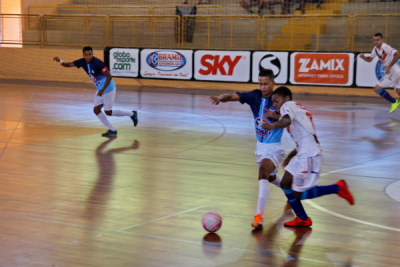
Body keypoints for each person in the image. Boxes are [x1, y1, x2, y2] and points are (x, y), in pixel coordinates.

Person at [261, 86, 354, 227]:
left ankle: (337, 188)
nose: (274, 104)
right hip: (303, 153)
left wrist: (272, 125)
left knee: (297, 194)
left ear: (286, 99)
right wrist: (290, 156)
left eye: (276, 101)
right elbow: (302, 138)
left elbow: (285, 121)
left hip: (310, 155)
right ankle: (303, 218)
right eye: (273, 102)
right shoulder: (296, 109)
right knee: (285, 183)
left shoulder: (288, 105)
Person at [210, 69, 286, 229]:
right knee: (271, 178)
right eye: (261, 84)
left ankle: (259, 217)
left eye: (266, 84)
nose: (263, 87)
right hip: (260, 147)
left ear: (273, 83)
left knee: (263, 175)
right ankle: (290, 190)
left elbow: (290, 119)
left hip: (274, 148)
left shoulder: (280, 100)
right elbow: (231, 96)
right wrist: (219, 98)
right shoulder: (254, 96)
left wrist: (274, 120)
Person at [53, 46, 138, 137]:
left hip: (108, 88)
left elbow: (109, 76)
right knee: (96, 110)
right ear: (83, 55)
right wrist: (60, 61)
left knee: (108, 112)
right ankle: (112, 130)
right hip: (100, 89)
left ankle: (132, 114)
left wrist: (102, 89)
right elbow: (68, 65)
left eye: (90, 54)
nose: (88, 56)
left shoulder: (98, 63)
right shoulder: (82, 62)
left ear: (92, 54)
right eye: (86, 55)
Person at [360, 33, 400, 113]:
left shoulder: (385, 47)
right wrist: (363, 57)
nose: (376, 42)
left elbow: (397, 54)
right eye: (374, 40)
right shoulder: (375, 49)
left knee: (377, 88)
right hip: (396, 71)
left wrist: (389, 67)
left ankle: (394, 102)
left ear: (382, 40)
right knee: (399, 91)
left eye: (378, 40)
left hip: (394, 71)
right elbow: (370, 59)